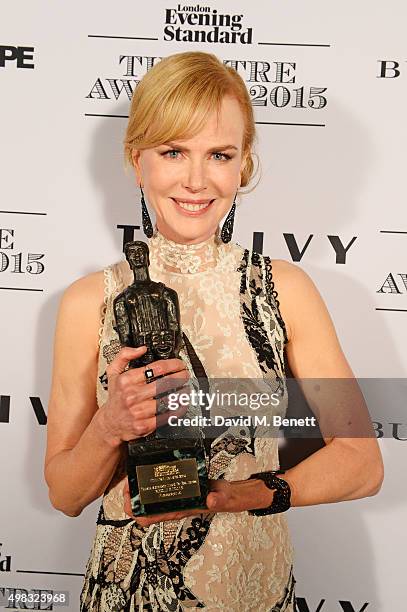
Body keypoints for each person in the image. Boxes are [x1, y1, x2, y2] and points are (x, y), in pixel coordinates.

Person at [44, 51, 384, 612]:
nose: (196, 180)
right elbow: (64, 494)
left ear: (243, 163)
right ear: (137, 161)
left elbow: (361, 462)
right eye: (173, 152)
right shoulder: (90, 301)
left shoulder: (284, 289)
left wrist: (244, 494)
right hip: (132, 592)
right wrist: (110, 425)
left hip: (254, 583)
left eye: (219, 154)